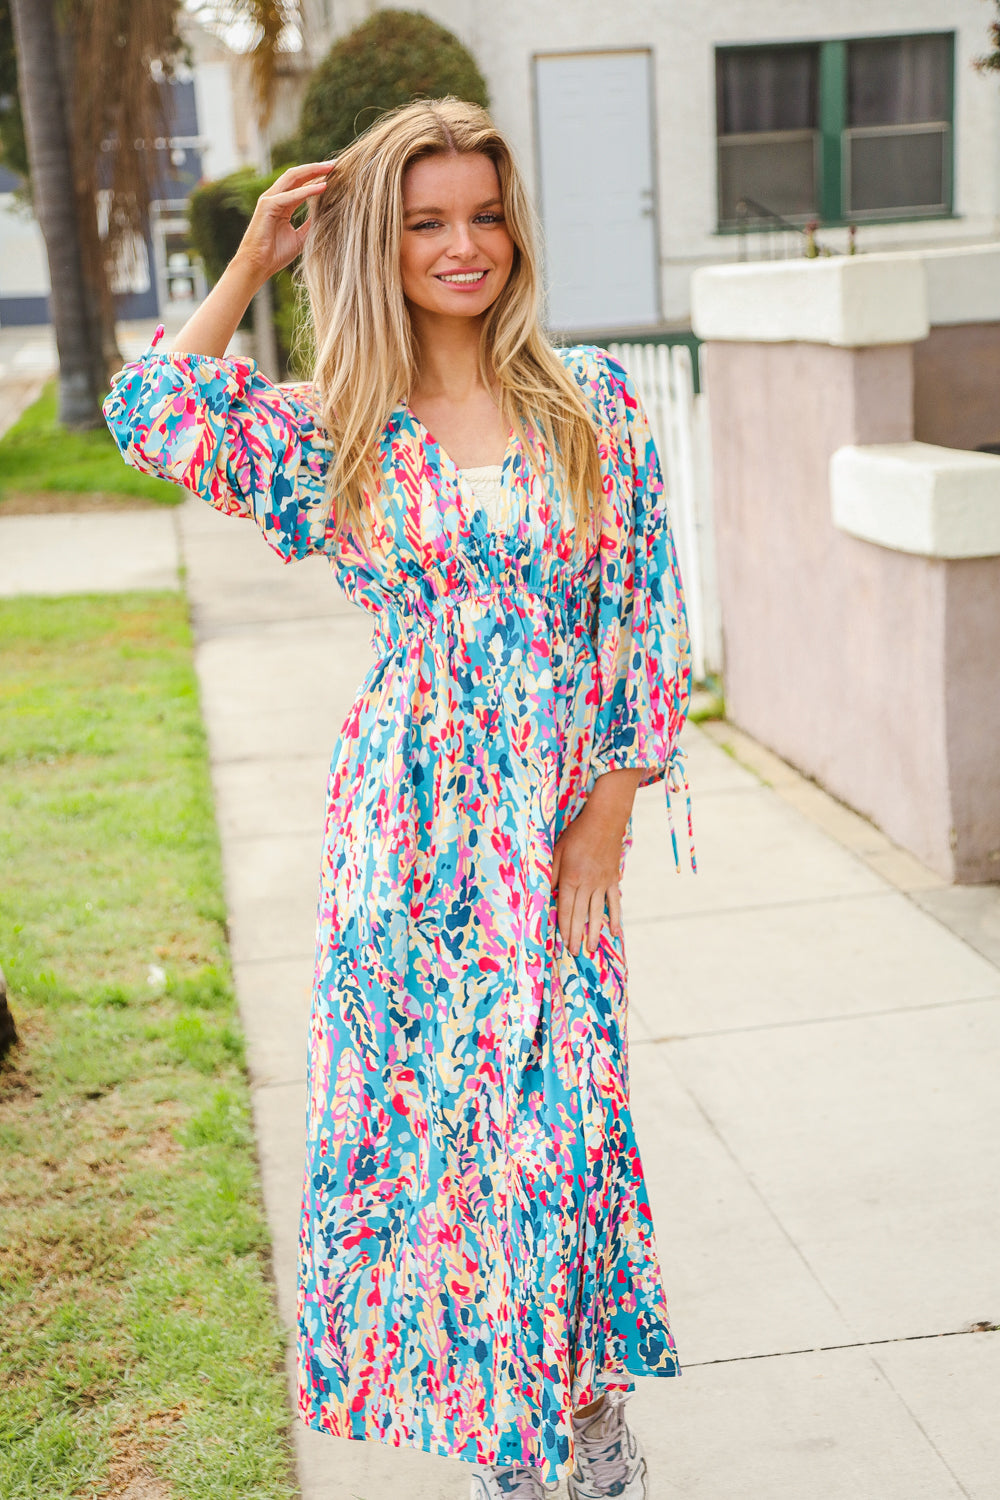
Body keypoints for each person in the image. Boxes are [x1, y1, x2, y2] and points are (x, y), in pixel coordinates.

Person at [104, 96, 693, 1500]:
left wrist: (608, 812)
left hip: (550, 824)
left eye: (484, 215)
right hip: (408, 829)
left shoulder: (593, 402)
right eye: (427, 221)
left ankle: (590, 1420)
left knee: (564, 1126)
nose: (462, 245)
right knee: (444, 1145)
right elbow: (150, 415)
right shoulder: (340, 426)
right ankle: (509, 1441)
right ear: (384, 242)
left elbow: (644, 618)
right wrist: (253, 259)